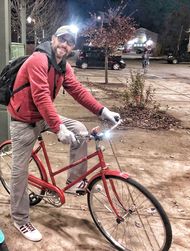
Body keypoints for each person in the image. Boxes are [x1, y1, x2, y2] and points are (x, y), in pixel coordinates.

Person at [7, 25, 120, 242]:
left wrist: (103, 111)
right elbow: (40, 96)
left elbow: (78, 91)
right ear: (53, 39)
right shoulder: (38, 60)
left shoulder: (63, 67)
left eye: (70, 42)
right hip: (24, 121)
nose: (65, 44)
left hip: (43, 116)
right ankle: (20, 218)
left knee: (79, 128)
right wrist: (58, 128)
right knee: (19, 171)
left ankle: (75, 181)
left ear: (72, 47)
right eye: (62, 39)